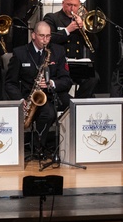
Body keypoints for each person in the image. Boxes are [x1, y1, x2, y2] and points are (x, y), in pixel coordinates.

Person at [4, 20, 72, 153]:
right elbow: (10, 83)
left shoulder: (58, 51)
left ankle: (63, 147)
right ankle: (38, 146)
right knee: (48, 113)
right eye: (42, 36)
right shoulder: (20, 53)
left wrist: (51, 83)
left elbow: (67, 80)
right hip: (29, 96)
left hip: (52, 94)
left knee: (69, 106)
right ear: (33, 35)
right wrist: (20, 99)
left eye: (48, 36)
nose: (45, 40)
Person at [43, 0, 99, 99]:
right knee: (63, 89)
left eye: (75, 5)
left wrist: (85, 29)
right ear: (63, 3)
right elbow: (48, 40)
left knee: (94, 78)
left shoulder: (82, 21)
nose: (72, 8)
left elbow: (94, 46)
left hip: (76, 64)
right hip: (59, 65)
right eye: (69, 5)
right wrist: (67, 30)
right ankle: (69, 104)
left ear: (79, 6)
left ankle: (78, 103)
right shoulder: (52, 18)